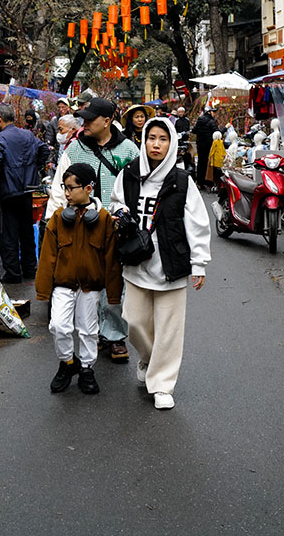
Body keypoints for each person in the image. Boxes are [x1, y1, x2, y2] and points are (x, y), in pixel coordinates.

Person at [110, 118, 210, 410]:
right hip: (135, 262)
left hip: (171, 264)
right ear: (143, 140)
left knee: (169, 329)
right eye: (151, 138)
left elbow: (198, 224)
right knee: (133, 321)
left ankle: (163, 385)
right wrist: (120, 211)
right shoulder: (129, 174)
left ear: (172, 144)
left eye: (163, 139)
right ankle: (149, 358)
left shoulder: (182, 181)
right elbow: (116, 201)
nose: (156, 144)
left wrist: (199, 263)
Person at [46, 97, 139, 363]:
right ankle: (95, 332)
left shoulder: (129, 150)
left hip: (115, 228)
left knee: (114, 282)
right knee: (87, 283)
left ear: (107, 121)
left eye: (90, 119)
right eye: (83, 119)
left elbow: (137, 190)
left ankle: (115, 335)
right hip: (79, 229)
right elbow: (58, 187)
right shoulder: (75, 150)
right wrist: (53, 222)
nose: (84, 123)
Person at [35, 163, 121, 395]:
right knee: (58, 326)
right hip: (63, 286)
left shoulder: (103, 220)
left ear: (89, 188)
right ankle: (68, 363)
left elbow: (112, 261)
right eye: (65, 187)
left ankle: (86, 369)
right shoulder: (58, 218)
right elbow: (47, 257)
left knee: (87, 330)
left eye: (71, 188)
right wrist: (43, 290)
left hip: (90, 288)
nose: (66, 193)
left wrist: (113, 294)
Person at [0, 104, 49, 283]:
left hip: (8, 191)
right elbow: (44, 150)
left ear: (0, 118)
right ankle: (30, 269)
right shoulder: (28, 135)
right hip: (27, 190)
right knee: (26, 230)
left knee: (8, 233)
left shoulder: (0, 137)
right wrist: (33, 169)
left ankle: (13, 273)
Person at [191, 107, 219, 186]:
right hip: (209, 145)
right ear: (209, 112)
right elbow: (217, 133)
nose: (215, 114)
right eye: (214, 112)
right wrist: (226, 128)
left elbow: (194, 130)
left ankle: (200, 182)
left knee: (200, 163)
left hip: (200, 144)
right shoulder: (211, 122)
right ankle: (208, 182)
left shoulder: (200, 120)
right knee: (208, 163)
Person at [172, 105, 193, 170]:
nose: (181, 113)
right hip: (178, 140)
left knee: (187, 153)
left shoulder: (187, 120)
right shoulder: (176, 121)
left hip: (185, 139)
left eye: (182, 112)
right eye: (179, 112)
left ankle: (188, 165)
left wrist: (187, 134)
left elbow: (189, 129)